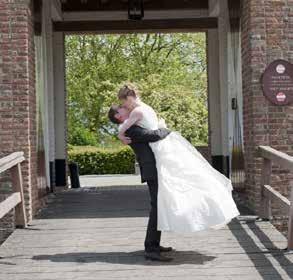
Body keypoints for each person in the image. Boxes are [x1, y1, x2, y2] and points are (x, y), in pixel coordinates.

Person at [115, 84, 240, 233]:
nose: (124, 106)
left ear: (129, 97)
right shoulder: (146, 109)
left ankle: (155, 244)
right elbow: (151, 133)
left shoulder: (137, 112)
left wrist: (120, 135)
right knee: (165, 196)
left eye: (123, 103)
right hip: (159, 152)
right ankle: (154, 245)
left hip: (159, 151)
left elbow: (133, 130)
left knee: (162, 199)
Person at [108, 105, 174, 262]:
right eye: (122, 108)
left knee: (158, 206)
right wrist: (167, 129)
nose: (126, 108)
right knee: (157, 207)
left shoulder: (130, 127)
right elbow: (154, 135)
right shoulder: (130, 130)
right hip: (151, 170)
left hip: (153, 168)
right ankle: (151, 248)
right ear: (118, 116)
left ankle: (154, 244)